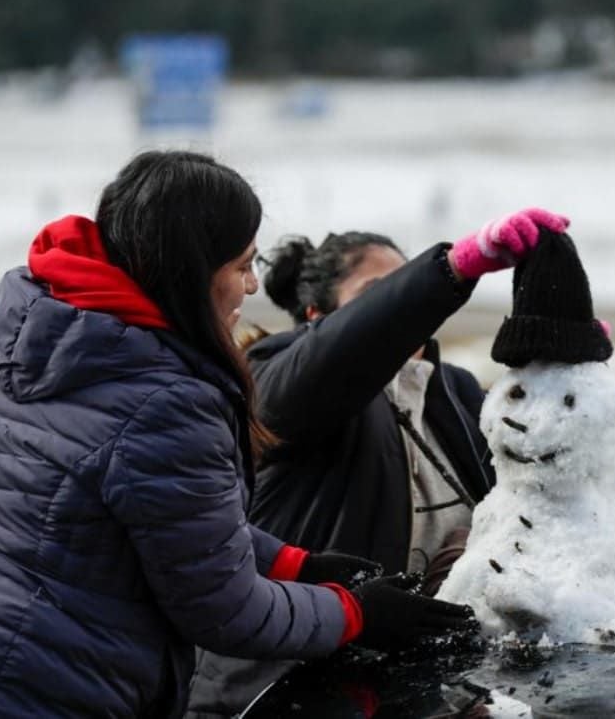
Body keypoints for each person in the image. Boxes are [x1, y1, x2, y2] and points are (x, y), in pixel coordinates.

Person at [0, 150, 473, 719]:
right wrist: (357, 615)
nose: (253, 286)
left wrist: (294, 562)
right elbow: (226, 610)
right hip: (16, 694)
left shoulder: (52, 339)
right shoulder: (164, 399)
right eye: (241, 265)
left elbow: (158, 511)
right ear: (190, 269)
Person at [185, 207, 569, 716]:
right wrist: (451, 270)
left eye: (404, 285)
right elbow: (332, 362)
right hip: (283, 692)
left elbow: (524, 499)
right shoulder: (273, 373)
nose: (400, 307)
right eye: (377, 294)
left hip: (418, 692)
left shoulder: (451, 390)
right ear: (317, 319)